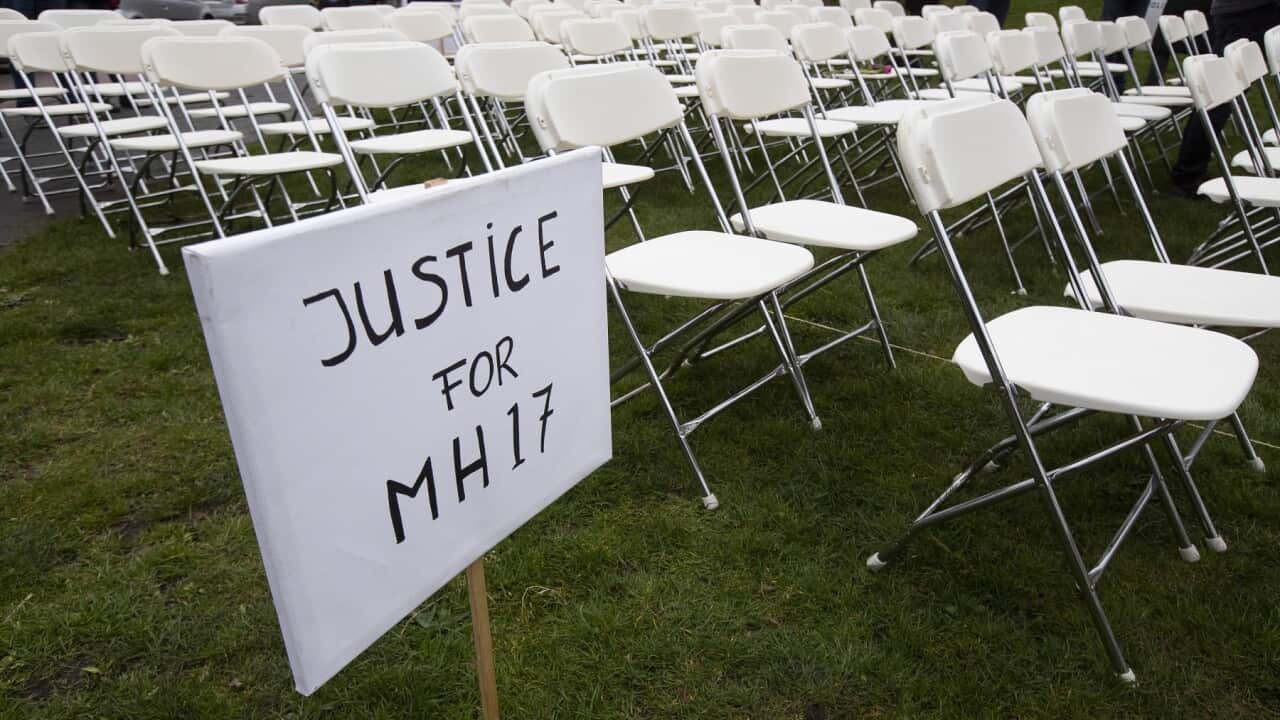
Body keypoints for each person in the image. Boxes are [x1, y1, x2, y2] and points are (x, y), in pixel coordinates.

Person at [1171, 0, 1280, 196]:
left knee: (1222, 96)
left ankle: (1188, 171)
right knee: (1219, 96)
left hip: (1253, 11)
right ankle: (1187, 173)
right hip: (1245, 13)